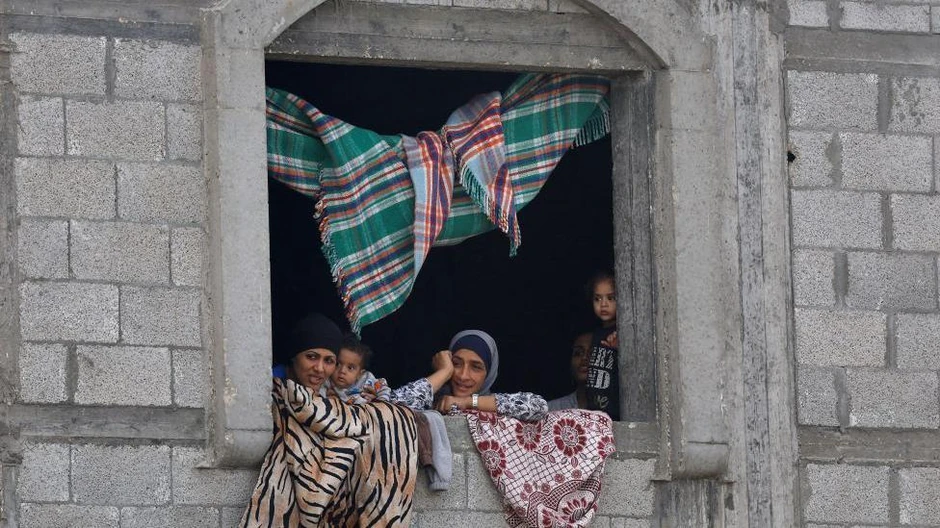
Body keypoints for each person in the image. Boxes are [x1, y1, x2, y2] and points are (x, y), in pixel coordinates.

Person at [392, 329, 549, 422]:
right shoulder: (431, 402)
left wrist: (467, 402)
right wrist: (443, 372)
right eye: (456, 363)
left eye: (476, 367)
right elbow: (390, 409)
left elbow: (538, 406)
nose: (463, 376)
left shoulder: (498, 406)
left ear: (490, 373)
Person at [275, 312, 344, 396]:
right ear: (294, 356)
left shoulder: (333, 393)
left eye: (329, 361)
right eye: (311, 357)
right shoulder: (267, 383)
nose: (319, 369)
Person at [585, 270, 621, 420]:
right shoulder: (598, 333)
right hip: (594, 412)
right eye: (597, 299)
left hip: (614, 412)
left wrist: (619, 348)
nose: (603, 304)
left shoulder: (620, 332)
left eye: (611, 298)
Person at [329, 333, 392, 404]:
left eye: (350, 368)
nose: (342, 371)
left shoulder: (366, 379)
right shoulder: (327, 382)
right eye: (337, 364)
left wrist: (380, 402)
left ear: (359, 373)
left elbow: (384, 389)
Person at [547, 331, 592, 411]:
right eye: (578, 353)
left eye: (593, 353)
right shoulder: (552, 410)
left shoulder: (618, 409)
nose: (584, 357)